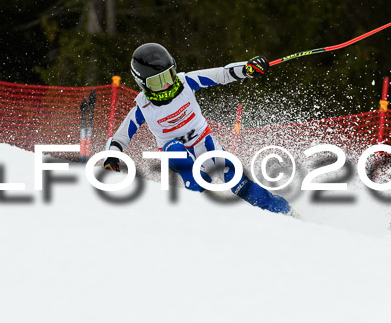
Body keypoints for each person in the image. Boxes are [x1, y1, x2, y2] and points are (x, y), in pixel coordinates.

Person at [103, 42, 294, 215]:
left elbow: (223, 74)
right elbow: (120, 138)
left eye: (168, 76)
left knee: (239, 184)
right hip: (173, 151)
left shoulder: (187, 82)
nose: (166, 85)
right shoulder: (143, 107)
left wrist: (248, 68)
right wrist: (111, 156)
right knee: (177, 151)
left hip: (206, 144)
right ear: (143, 84)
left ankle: (284, 211)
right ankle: (200, 203)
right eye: (157, 82)